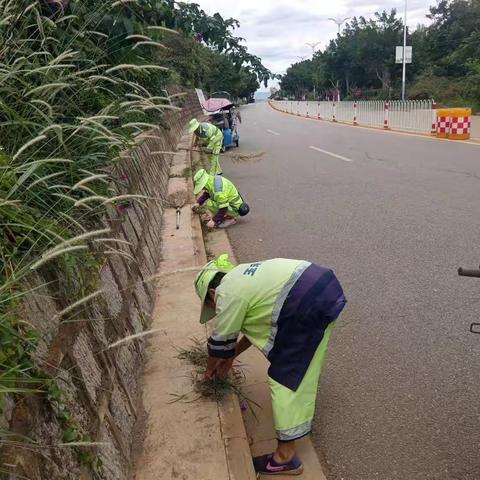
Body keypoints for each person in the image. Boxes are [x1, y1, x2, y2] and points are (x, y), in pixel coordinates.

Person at [194, 254, 347, 476]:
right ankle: (297, 420)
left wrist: (209, 372)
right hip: (324, 288)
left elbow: (218, 344)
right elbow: (253, 328)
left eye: (212, 306)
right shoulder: (242, 277)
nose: (216, 310)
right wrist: (231, 356)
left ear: (211, 293)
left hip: (306, 303)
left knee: (284, 376)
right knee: (302, 361)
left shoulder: (227, 293)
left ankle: (285, 457)